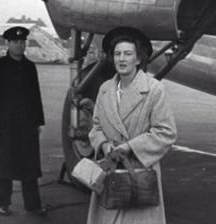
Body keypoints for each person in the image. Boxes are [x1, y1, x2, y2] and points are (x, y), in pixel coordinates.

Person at [87, 27, 177, 224]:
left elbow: (166, 133)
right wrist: (104, 145)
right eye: (117, 54)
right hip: (110, 169)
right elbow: (96, 127)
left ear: (138, 59)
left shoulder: (154, 90)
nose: (122, 59)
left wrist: (129, 146)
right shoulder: (105, 90)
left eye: (128, 54)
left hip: (139, 171)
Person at [0, 26, 47, 216]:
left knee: (30, 167)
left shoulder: (30, 67)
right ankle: (4, 204)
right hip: (5, 124)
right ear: (8, 44)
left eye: (22, 42)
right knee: (5, 166)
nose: (20, 45)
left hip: (27, 125)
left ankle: (33, 205)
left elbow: (36, 96)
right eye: (15, 42)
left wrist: (38, 122)